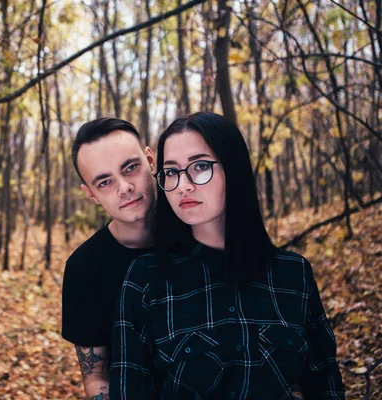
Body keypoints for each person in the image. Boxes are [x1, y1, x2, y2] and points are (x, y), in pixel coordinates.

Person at [110, 112, 345, 399]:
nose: (183, 185)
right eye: (171, 171)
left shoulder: (294, 274)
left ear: (233, 169)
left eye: (199, 166)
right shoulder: (146, 278)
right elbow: (128, 389)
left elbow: (326, 385)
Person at [62, 117, 157, 399]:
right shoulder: (83, 268)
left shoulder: (199, 236)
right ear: (90, 194)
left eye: (130, 168)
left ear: (150, 161)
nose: (124, 187)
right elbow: (96, 377)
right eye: (104, 182)